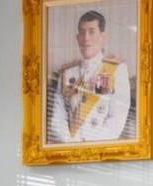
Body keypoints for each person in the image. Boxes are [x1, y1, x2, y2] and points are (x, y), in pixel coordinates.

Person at [48, 10, 132, 142]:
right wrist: (72, 144)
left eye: (92, 32)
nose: (86, 38)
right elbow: (57, 118)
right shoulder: (67, 73)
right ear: (77, 37)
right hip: (70, 147)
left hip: (101, 147)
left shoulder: (117, 70)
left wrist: (88, 145)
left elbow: (117, 119)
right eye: (82, 32)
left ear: (102, 36)